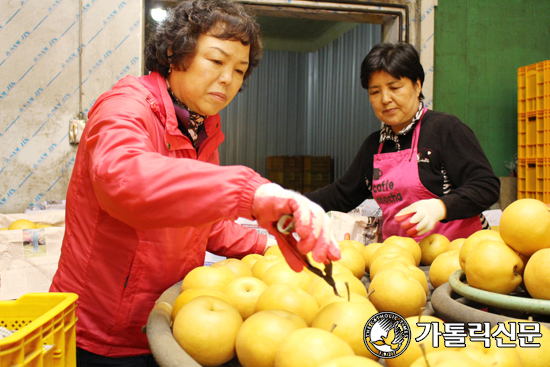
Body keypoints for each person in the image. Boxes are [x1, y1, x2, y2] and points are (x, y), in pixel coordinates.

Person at [49, 0, 340, 365]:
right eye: (216, 61)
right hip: (100, 335)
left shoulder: (202, 128)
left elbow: (205, 224)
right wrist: (251, 192)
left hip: (171, 321)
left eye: (239, 69)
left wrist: (269, 242)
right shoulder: (126, 108)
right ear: (174, 52)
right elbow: (123, 180)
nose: (227, 79)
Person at [305, 42, 500, 242]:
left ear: (417, 86)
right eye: (375, 92)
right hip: (401, 258)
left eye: (395, 87)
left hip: (457, 254)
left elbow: (485, 186)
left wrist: (439, 207)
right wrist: (292, 203)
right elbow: (341, 195)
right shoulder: (374, 146)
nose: (385, 98)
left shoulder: (445, 130)